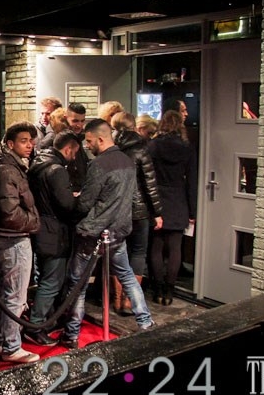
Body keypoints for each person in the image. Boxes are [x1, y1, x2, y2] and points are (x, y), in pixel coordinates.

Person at [61, 119, 155, 348]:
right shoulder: (127, 161)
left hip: (93, 233)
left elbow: (85, 203)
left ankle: (71, 334)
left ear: (101, 139)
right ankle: (146, 323)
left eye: (89, 141)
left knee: (78, 284)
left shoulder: (99, 164)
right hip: (118, 231)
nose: (87, 146)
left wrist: (74, 202)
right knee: (127, 276)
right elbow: (130, 197)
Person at [0, 121, 41, 363]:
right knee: (15, 295)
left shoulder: (3, 163)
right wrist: (33, 222)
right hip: (13, 238)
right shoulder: (7, 169)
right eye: (24, 141)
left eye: (31, 141)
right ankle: (11, 345)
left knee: (3, 292)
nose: (30, 145)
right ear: (10, 143)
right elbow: (9, 212)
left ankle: (1, 341)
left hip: (6, 237)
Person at [24, 130, 81, 346]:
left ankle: (44, 320)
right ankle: (37, 325)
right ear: (68, 149)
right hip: (54, 232)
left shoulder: (37, 165)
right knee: (52, 281)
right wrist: (77, 198)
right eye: (74, 153)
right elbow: (66, 205)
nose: (74, 157)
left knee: (44, 278)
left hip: (41, 228)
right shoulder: (57, 170)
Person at [112, 112, 164, 315]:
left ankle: (117, 300)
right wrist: (157, 212)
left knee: (117, 252)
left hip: (116, 208)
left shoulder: (110, 147)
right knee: (138, 252)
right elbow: (150, 184)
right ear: (134, 126)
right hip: (139, 209)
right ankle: (129, 301)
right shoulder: (141, 148)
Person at [147, 110, 198, 305]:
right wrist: (192, 210)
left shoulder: (153, 146)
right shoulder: (187, 148)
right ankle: (169, 291)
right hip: (178, 199)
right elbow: (192, 181)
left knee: (156, 247)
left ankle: (157, 289)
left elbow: (147, 176)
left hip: (157, 199)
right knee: (175, 248)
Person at [63, 102, 91, 194]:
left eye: (82, 121)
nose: (79, 125)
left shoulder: (79, 138)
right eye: (75, 121)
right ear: (66, 118)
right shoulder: (61, 140)